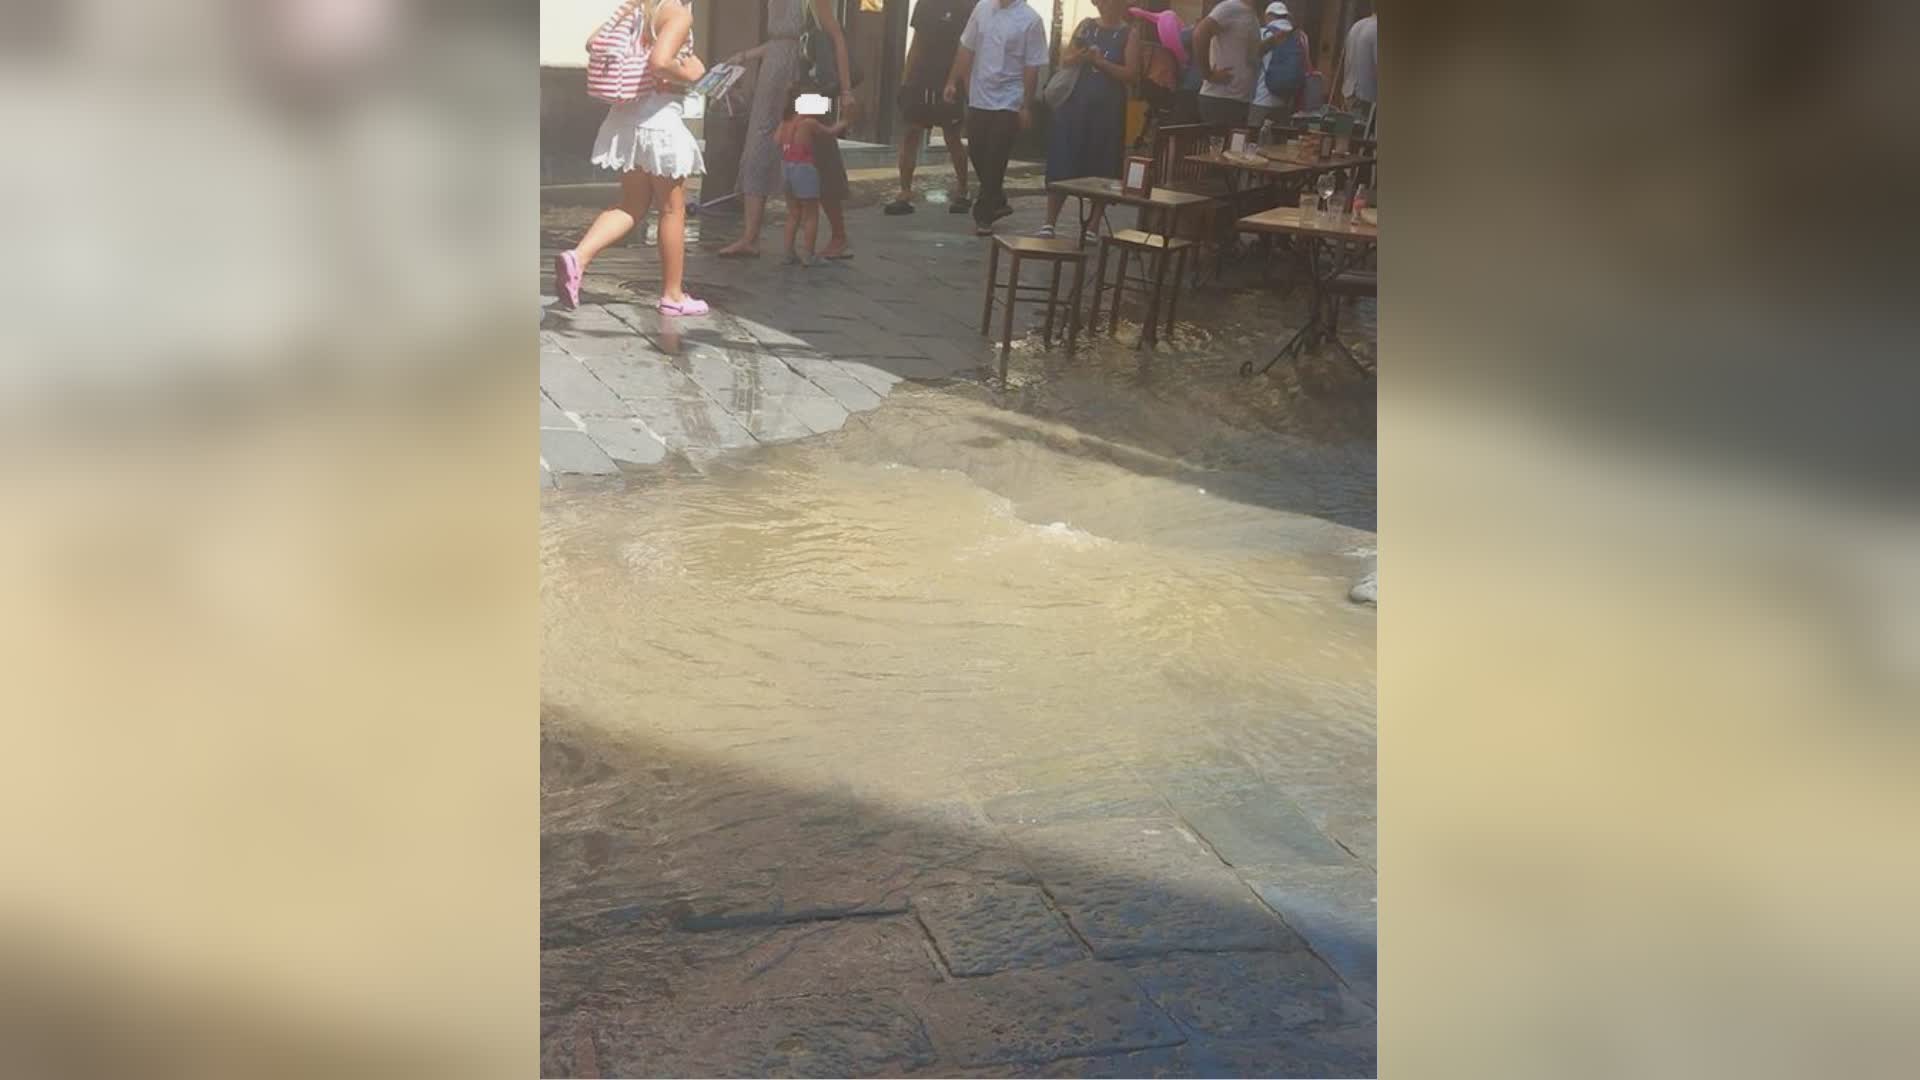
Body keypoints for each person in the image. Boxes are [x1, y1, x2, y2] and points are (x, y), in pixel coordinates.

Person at [553, 0, 712, 316]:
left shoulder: (634, 8)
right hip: (657, 120)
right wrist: (693, 71)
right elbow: (660, 63)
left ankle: (578, 257)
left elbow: (592, 43)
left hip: (625, 117)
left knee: (631, 204)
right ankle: (673, 295)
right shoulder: (678, 13)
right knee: (671, 208)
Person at [715, 0, 858, 260]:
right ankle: (750, 238)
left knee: (817, 149)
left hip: (805, 82)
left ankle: (839, 236)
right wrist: (745, 56)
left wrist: (846, 91)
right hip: (772, 79)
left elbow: (836, 37)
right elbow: (779, 43)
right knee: (757, 147)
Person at [944, 0, 1048, 237]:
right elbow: (966, 48)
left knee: (996, 154)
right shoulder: (982, 8)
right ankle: (997, 198)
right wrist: (953, 81)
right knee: (977, 150)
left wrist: (1026, 105)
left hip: (1010, 98)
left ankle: (984, 215)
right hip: (980, 95)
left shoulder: (1030, 20)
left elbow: (1032, 66)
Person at [1039, 0, 1141, 241]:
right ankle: (1049, 222)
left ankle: (1093, 226)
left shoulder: (1129, 33)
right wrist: (1081, 56)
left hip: (1107, 110)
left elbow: (1131, 74)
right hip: (1075, 105)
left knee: (1102, 163)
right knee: (1063, 158)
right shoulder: (1086, 27)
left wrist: (1101, 63)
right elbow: (1066, 59)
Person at [886, 0, 974, 216]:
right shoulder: (925, 4)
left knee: (952, 135)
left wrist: (959, 81)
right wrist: (906, 82)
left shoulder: (968, 6)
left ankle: (963, 190)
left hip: (950, 77)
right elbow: (916, 44)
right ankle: (905, 192)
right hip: (921, 78)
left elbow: (967, 49)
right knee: (910, 133)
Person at [778, 88, 850, 264]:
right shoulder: (809, 123)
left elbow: (776, 140)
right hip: (804, 169)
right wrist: (846, 121)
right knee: (811, 214)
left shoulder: (785, 123)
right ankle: (809, 256)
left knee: (793, 213)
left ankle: (788, 253)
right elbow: (831, 132)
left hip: (787, 168)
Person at [1191, 0, 1258, 127]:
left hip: (1241, 99)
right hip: (1221, 99)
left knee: (1235, 146)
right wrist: (1208, 74)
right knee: (1221, 146)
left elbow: (1250, 55)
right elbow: (1200, 33)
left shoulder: (1251, 14)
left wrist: (1273, 42)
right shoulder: (1231, 7)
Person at [1248, 2, 1309, 128]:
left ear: (1268, 16)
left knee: (1252, 141)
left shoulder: (1261, 33)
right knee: (1277, 143)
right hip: (1284, 103)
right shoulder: (1298, 37)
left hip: (1260, 101)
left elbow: (1249, 60)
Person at [1338, 2, 1377, 137]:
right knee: (1363, 140)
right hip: (1367, 96)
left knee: (1347, 138)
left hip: (1349, 92)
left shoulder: (1356, 26)